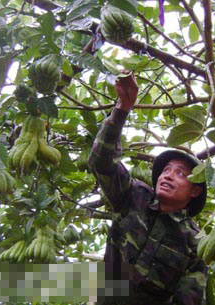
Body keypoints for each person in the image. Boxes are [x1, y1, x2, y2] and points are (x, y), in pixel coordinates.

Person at [88, 72, 208, 305]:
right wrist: (122, 108)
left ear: (195, 191)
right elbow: (101, 161)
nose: (168, 176)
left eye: (180, 173)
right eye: (166, 170)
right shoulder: (133, 197)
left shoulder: (195, 243)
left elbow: (188, 300)